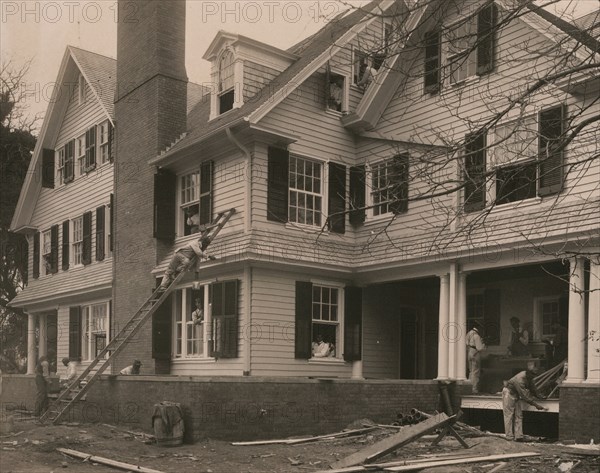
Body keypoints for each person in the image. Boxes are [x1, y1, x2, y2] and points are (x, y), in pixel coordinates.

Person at [502, 363, 548, 441]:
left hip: (516, 393)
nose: (533, 378)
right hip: (508, 393)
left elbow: (533, 388)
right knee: (509, 415)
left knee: (519, 415)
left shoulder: (529, 377)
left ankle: (519, 436)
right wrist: (536, 405)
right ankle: (509, 437)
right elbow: (525, 396)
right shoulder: (520, 380)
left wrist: (540, 396)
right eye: (532, 377)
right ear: (528, 375)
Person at [466, 322, 486, 394]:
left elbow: (467, 343)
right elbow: (480, 348)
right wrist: (483, 344)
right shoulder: (476, 336)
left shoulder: (469, 333)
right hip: (475, 353)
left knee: (471, 371)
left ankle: (469, 387)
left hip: (469, 352)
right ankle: (474, 389)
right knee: (476, 372)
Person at [34, 349, 54, 417]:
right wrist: (49, 381)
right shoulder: (45, 362)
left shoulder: (42, 359)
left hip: (39, 377)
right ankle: (37, 412)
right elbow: (45, 374)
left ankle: (44, 411)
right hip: (40, 378)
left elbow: (36, 369)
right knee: (42, 394)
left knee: (44, 394)